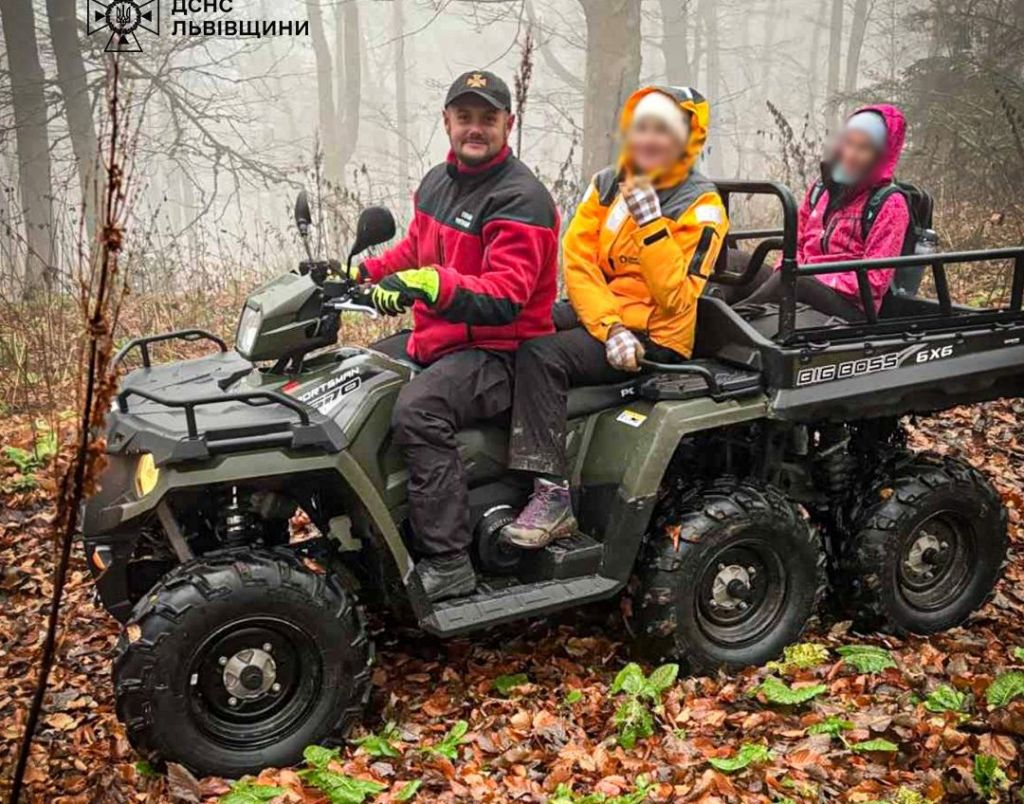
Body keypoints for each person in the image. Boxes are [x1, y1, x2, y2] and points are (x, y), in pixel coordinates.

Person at [357, 70, 560, 601]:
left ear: (508, 124)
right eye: (465, 117)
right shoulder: (436, 183)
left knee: (418, 409)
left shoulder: (521, 199)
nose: (476, 128)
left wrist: (431, 285)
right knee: (361, 380)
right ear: (446, 120)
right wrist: (366, 273)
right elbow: (415, 253)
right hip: (442, 340)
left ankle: (447, 561)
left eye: (487, 119)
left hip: (503, 351)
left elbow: (506, 293)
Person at [500, 86, 729, 548]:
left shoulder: (702, 206)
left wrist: (650, 224)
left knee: (542, 355)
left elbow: (675, 298)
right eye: (643, 125)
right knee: (518, 325)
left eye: (663, 129)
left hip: (656, 334)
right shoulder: (609, 183)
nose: (649, 138)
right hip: (606, 320)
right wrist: (609, 326)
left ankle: (553, 496)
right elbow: (578, 261)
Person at [740, 105, 910, 319]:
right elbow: (796, 244)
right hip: (800, 281)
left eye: (864, 148)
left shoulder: (890, 204)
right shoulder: (821, 189)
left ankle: (731, 323)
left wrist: (808, 276)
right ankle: (707, 313)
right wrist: (785, 270)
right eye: (848, 143)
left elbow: (875, 281)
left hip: (851, 307)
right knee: (735, 261)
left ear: (881, 156)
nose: (851, 154)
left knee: (794, 279)